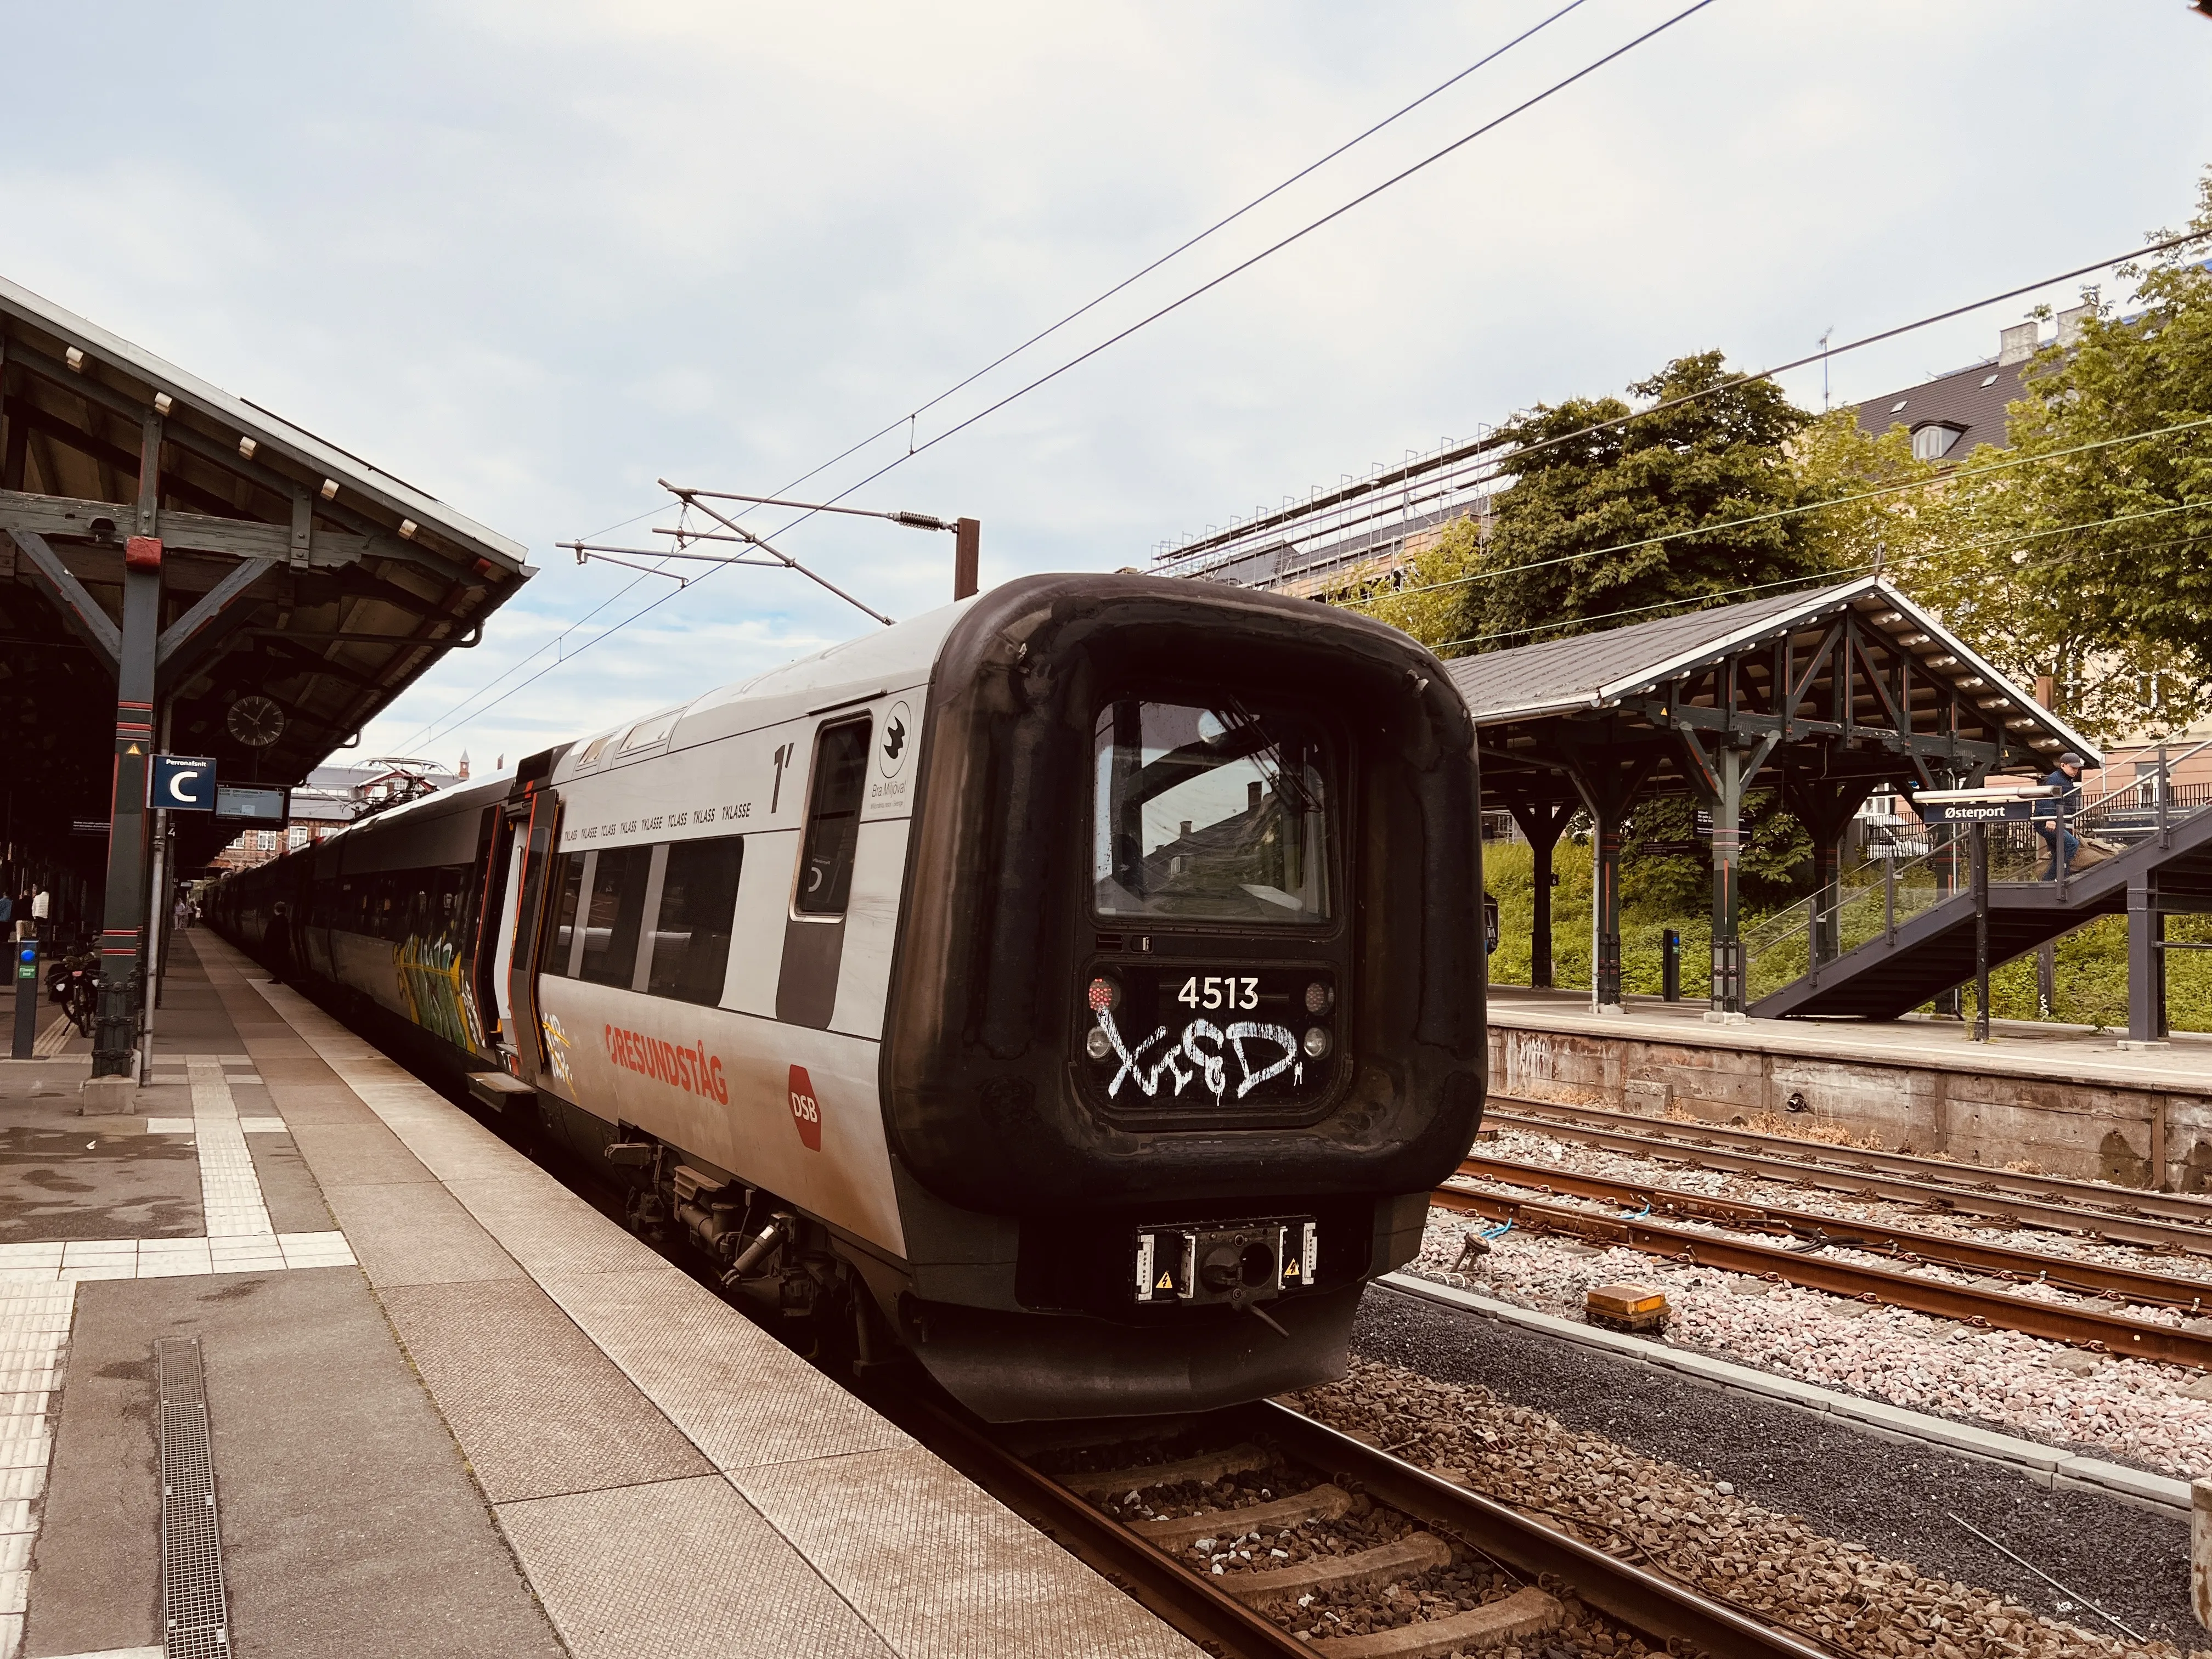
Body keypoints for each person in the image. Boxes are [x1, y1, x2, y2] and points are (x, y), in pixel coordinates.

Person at [2039, 752, 2085, 879]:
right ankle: (2062, 877)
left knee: (2059, 853)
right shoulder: (2055, 779)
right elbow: (2046, 798)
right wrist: (2050, 818)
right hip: (2050, 822)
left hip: (2057, 821)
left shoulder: (2065, 779)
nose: (2075, 771)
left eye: (2077, 769)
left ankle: (2048, 881)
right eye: (2073, 768)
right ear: (2063, 765)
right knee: (2072, 845)